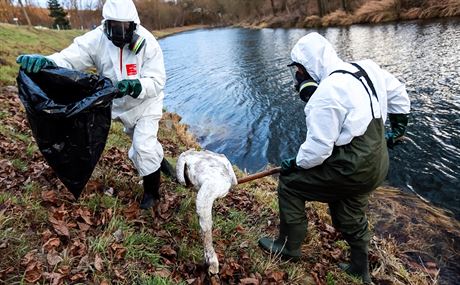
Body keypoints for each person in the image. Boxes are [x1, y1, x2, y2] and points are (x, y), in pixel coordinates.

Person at [258, 32, 410, 284]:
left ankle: (288, 247)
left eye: (298, 71)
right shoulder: (367, 68)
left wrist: (294, 164)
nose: (298, 78)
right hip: (378, 163)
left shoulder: (324, 95)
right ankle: (360, 271)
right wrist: (397, 130)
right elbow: (399, 95)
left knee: (290, 184)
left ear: (308, 67)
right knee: (349, 210)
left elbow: (318, 151)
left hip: (350, 167)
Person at [16, 0, 173, 209]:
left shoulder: (148, 43)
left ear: (133, 25)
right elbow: (70, 58)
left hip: (146, 104)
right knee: (141, 143)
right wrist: (48, 61)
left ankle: (152, 194)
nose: (119, 33)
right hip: (117, 105)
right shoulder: (96, 39)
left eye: (124, 28)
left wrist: (137, 86)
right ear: (105, 25)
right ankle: (160, 162)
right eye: (114, 27)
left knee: (143, 146)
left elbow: (158, 81)